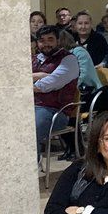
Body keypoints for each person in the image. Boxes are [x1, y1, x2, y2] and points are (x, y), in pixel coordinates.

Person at [33, 25, 80, 162]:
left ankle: (30, 167)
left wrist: (27, 83)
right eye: (42, 40)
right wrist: (39, 75)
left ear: (58, 41)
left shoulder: (69, 60)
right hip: (29, 107)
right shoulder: (33, 59)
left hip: (55, 111)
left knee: (30, 128)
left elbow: (48, 84)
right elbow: (16, 79)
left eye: (50, 39)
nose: (46, 43)